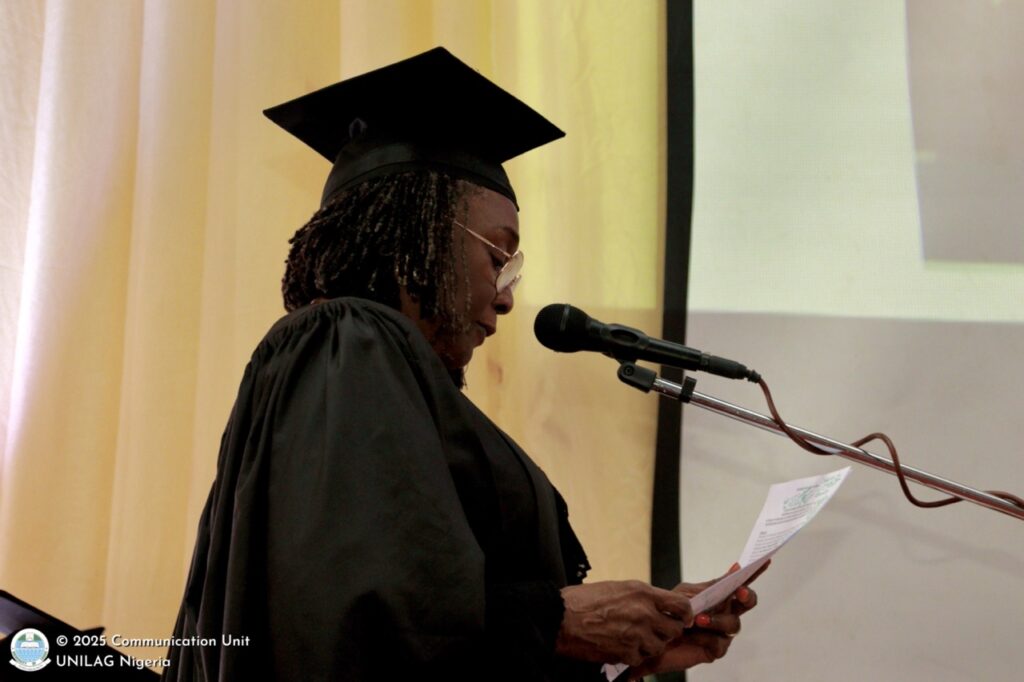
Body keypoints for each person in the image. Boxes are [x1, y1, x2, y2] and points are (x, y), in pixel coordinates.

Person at [164, 47, 761, 682]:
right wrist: (561, 622)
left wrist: (620, 650)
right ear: (413, 235)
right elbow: (349, 614)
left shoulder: (396, 382)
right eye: (498, 257)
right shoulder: (344, 341)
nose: (507, 296)